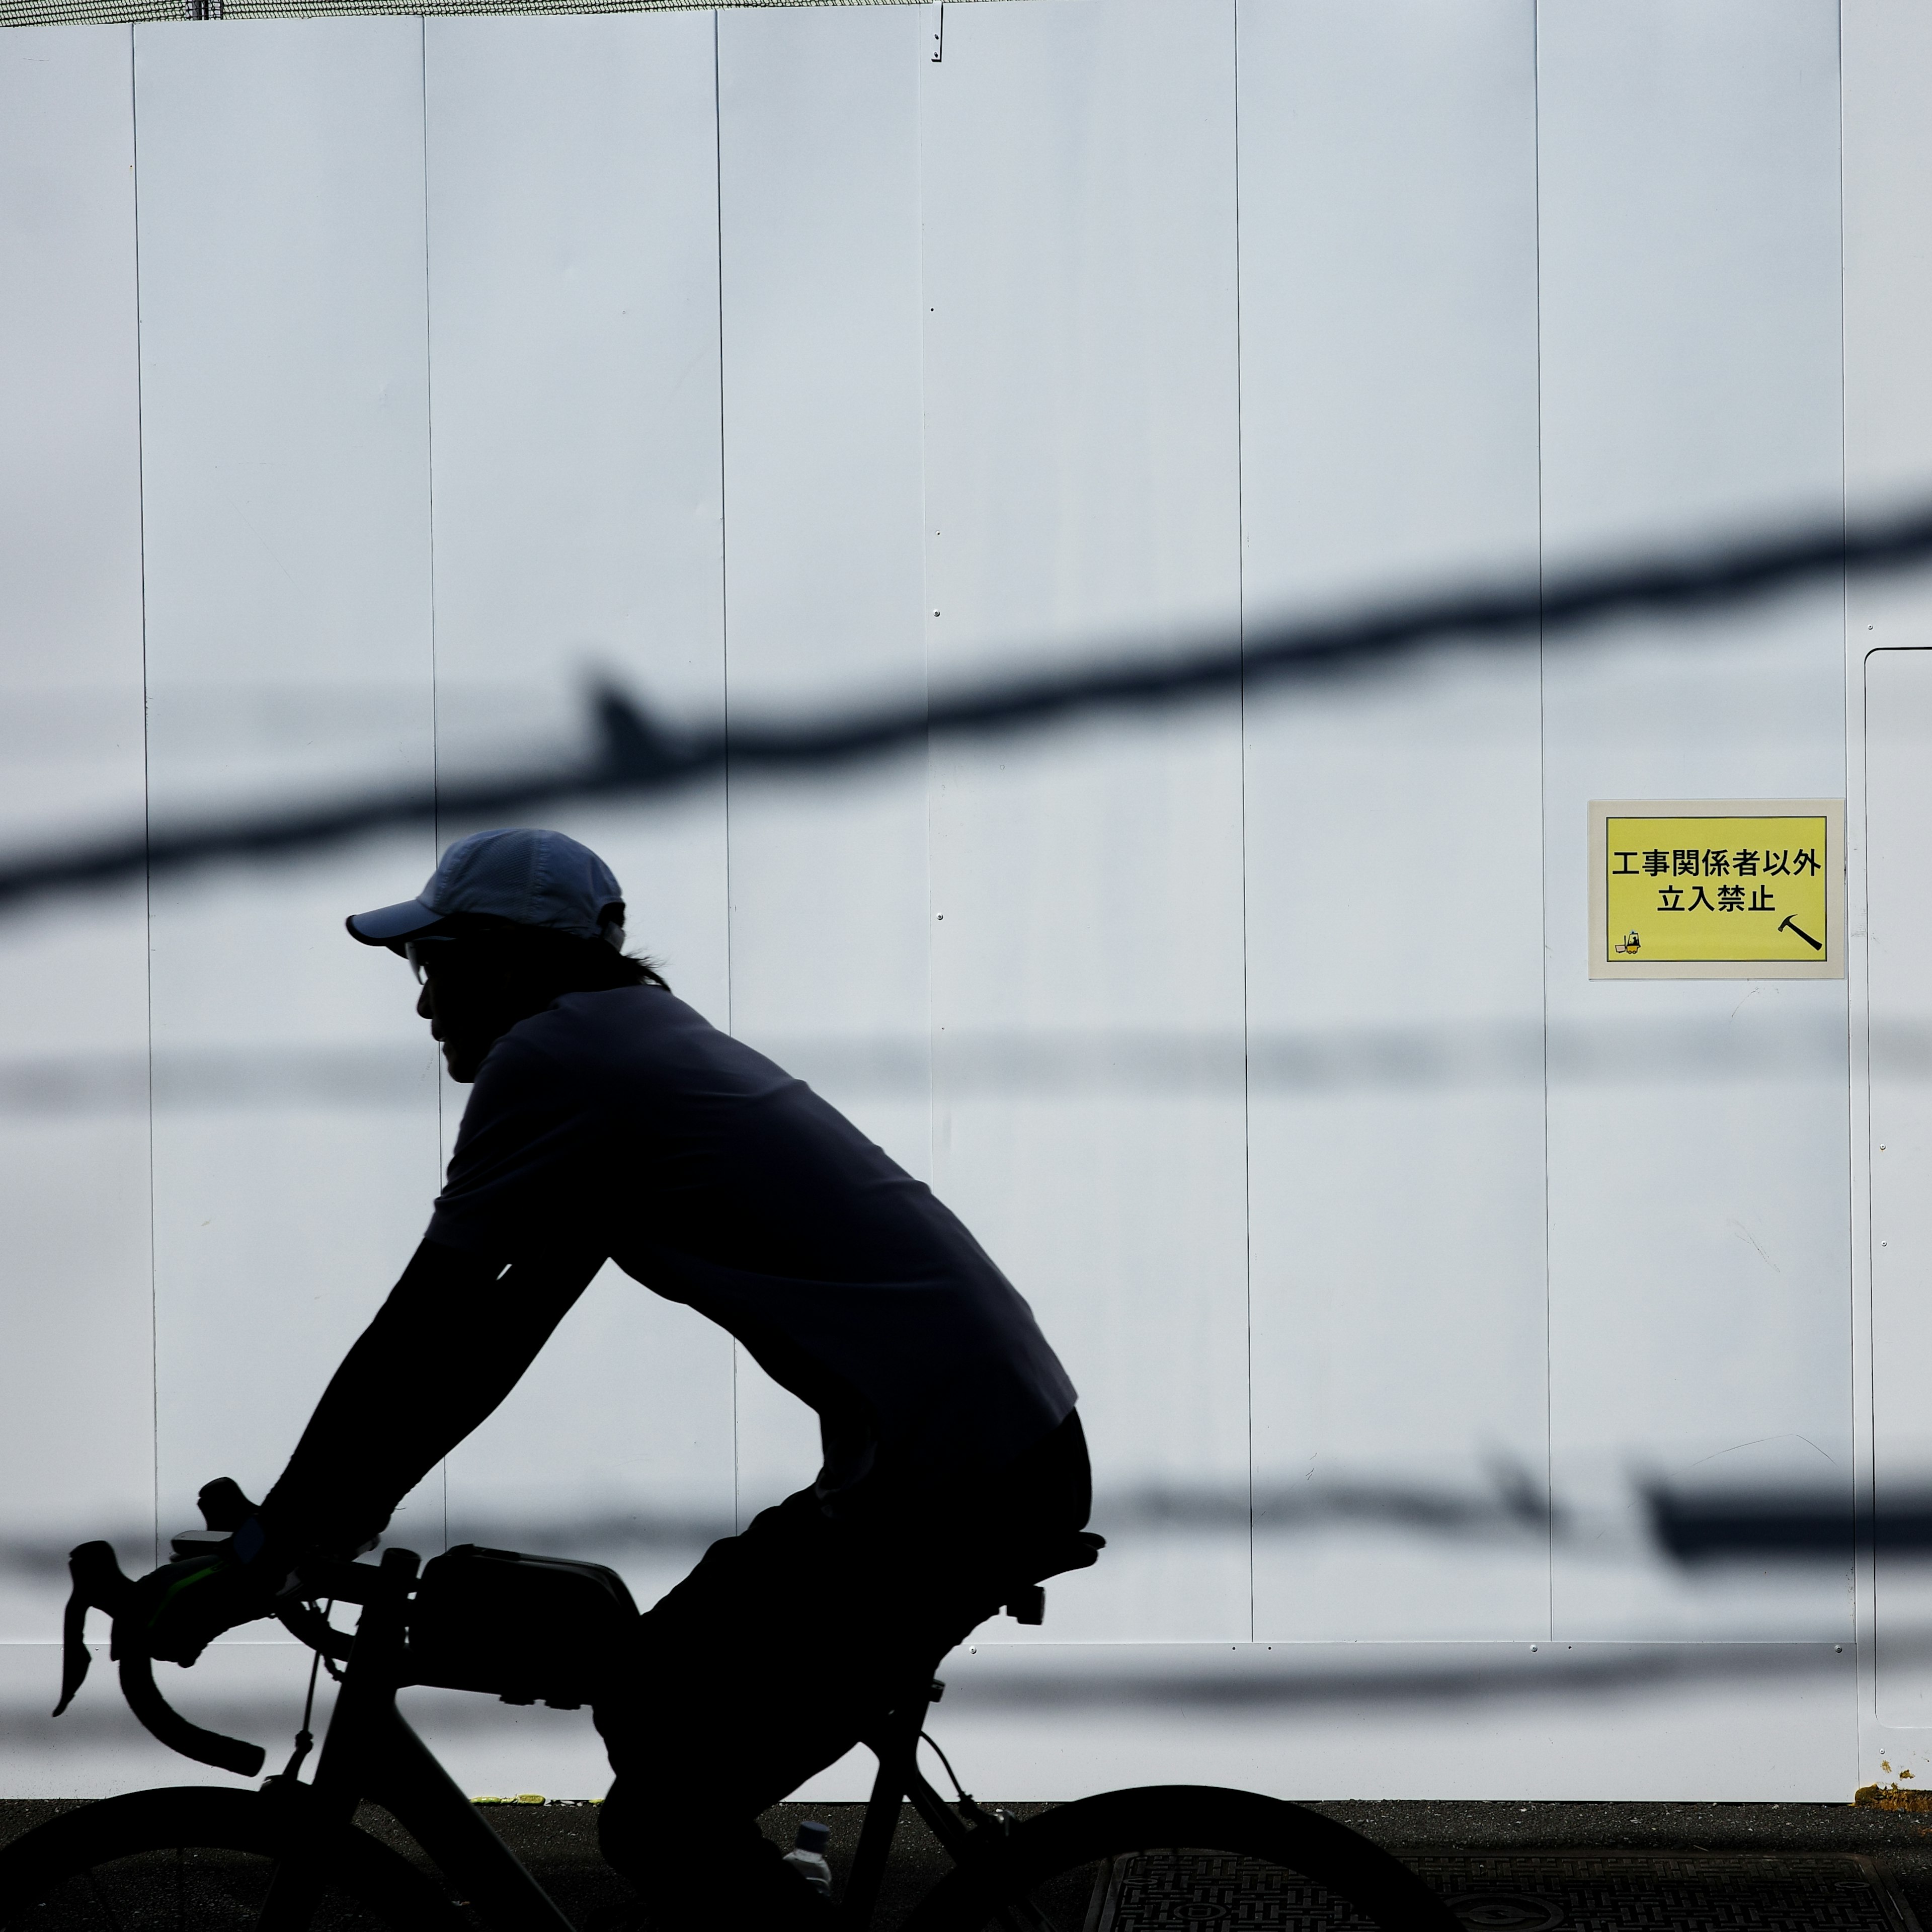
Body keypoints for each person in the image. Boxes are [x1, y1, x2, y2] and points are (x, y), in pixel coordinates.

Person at [137, 826, 1089, 1930]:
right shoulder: (622, 1047)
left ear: (500, 963)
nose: (421, 1002)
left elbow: (417, 1329)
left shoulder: (557, 1060)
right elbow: (485, 1348)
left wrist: (274, 1545)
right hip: (975, 1450)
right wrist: (322, 1523)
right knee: (644, 1697)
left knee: (655, 1820)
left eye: (430, 964)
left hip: (960, 1474)